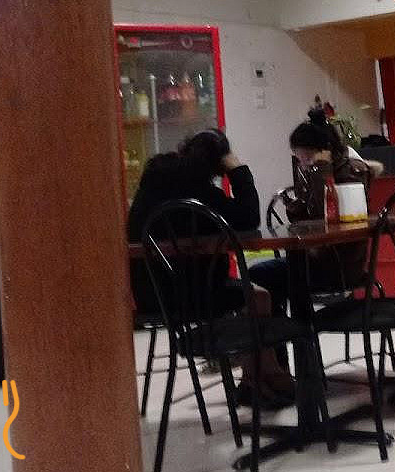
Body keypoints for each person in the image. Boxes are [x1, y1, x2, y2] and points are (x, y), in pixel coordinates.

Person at [127, 128, 294, 406]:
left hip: (150, 294)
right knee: (260, 297)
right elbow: (249, 218)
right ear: (217, 166)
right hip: (197, 294)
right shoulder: (202, 193)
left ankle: (262, 378)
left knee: (252, 294)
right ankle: (258, 378)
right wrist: (238, 170)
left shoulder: (153, 185)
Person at [249, 111, 381, 313]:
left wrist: (321, 169)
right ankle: (288, 330)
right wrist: (295, 206)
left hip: (340, 265)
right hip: (317, 258)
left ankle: (297, 329)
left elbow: (327, 217)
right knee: (261, 273)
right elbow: (308, 218)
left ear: (323, 151)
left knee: (266, 275)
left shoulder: (349, 172)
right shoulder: (318, 171)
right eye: (298, 155)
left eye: (304, 155)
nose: (300, 161)